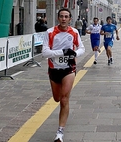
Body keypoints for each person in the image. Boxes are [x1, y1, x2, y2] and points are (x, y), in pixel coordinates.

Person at [41, 8, 85, 142]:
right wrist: (62, 52)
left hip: (69, 69)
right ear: (58, 18)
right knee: (57, 98)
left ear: (70, 19)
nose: (64, 19)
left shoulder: (74, 32)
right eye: (61, 16)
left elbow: (82, 48)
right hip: (54, 69)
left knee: (64, 99)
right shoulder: (50, 32)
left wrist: (74, 54)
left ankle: (60, 132)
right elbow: (45, 52)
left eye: (66, 17)